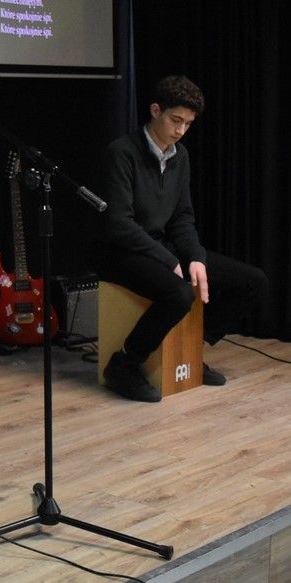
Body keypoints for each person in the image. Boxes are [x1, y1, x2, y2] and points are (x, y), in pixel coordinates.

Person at [99, 75, 267, 402]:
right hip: (121, 251)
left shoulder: (181, 157)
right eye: (176, 120)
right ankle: (123, 364)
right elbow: (119, 224)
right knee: (178, 293)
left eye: (188, 124)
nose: (181, 130)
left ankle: (189, 351)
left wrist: (197, 258)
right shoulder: (122, 153)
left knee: (254, 282)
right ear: (155, 110)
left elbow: (182, 218)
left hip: (162, 245)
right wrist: (171, 260)